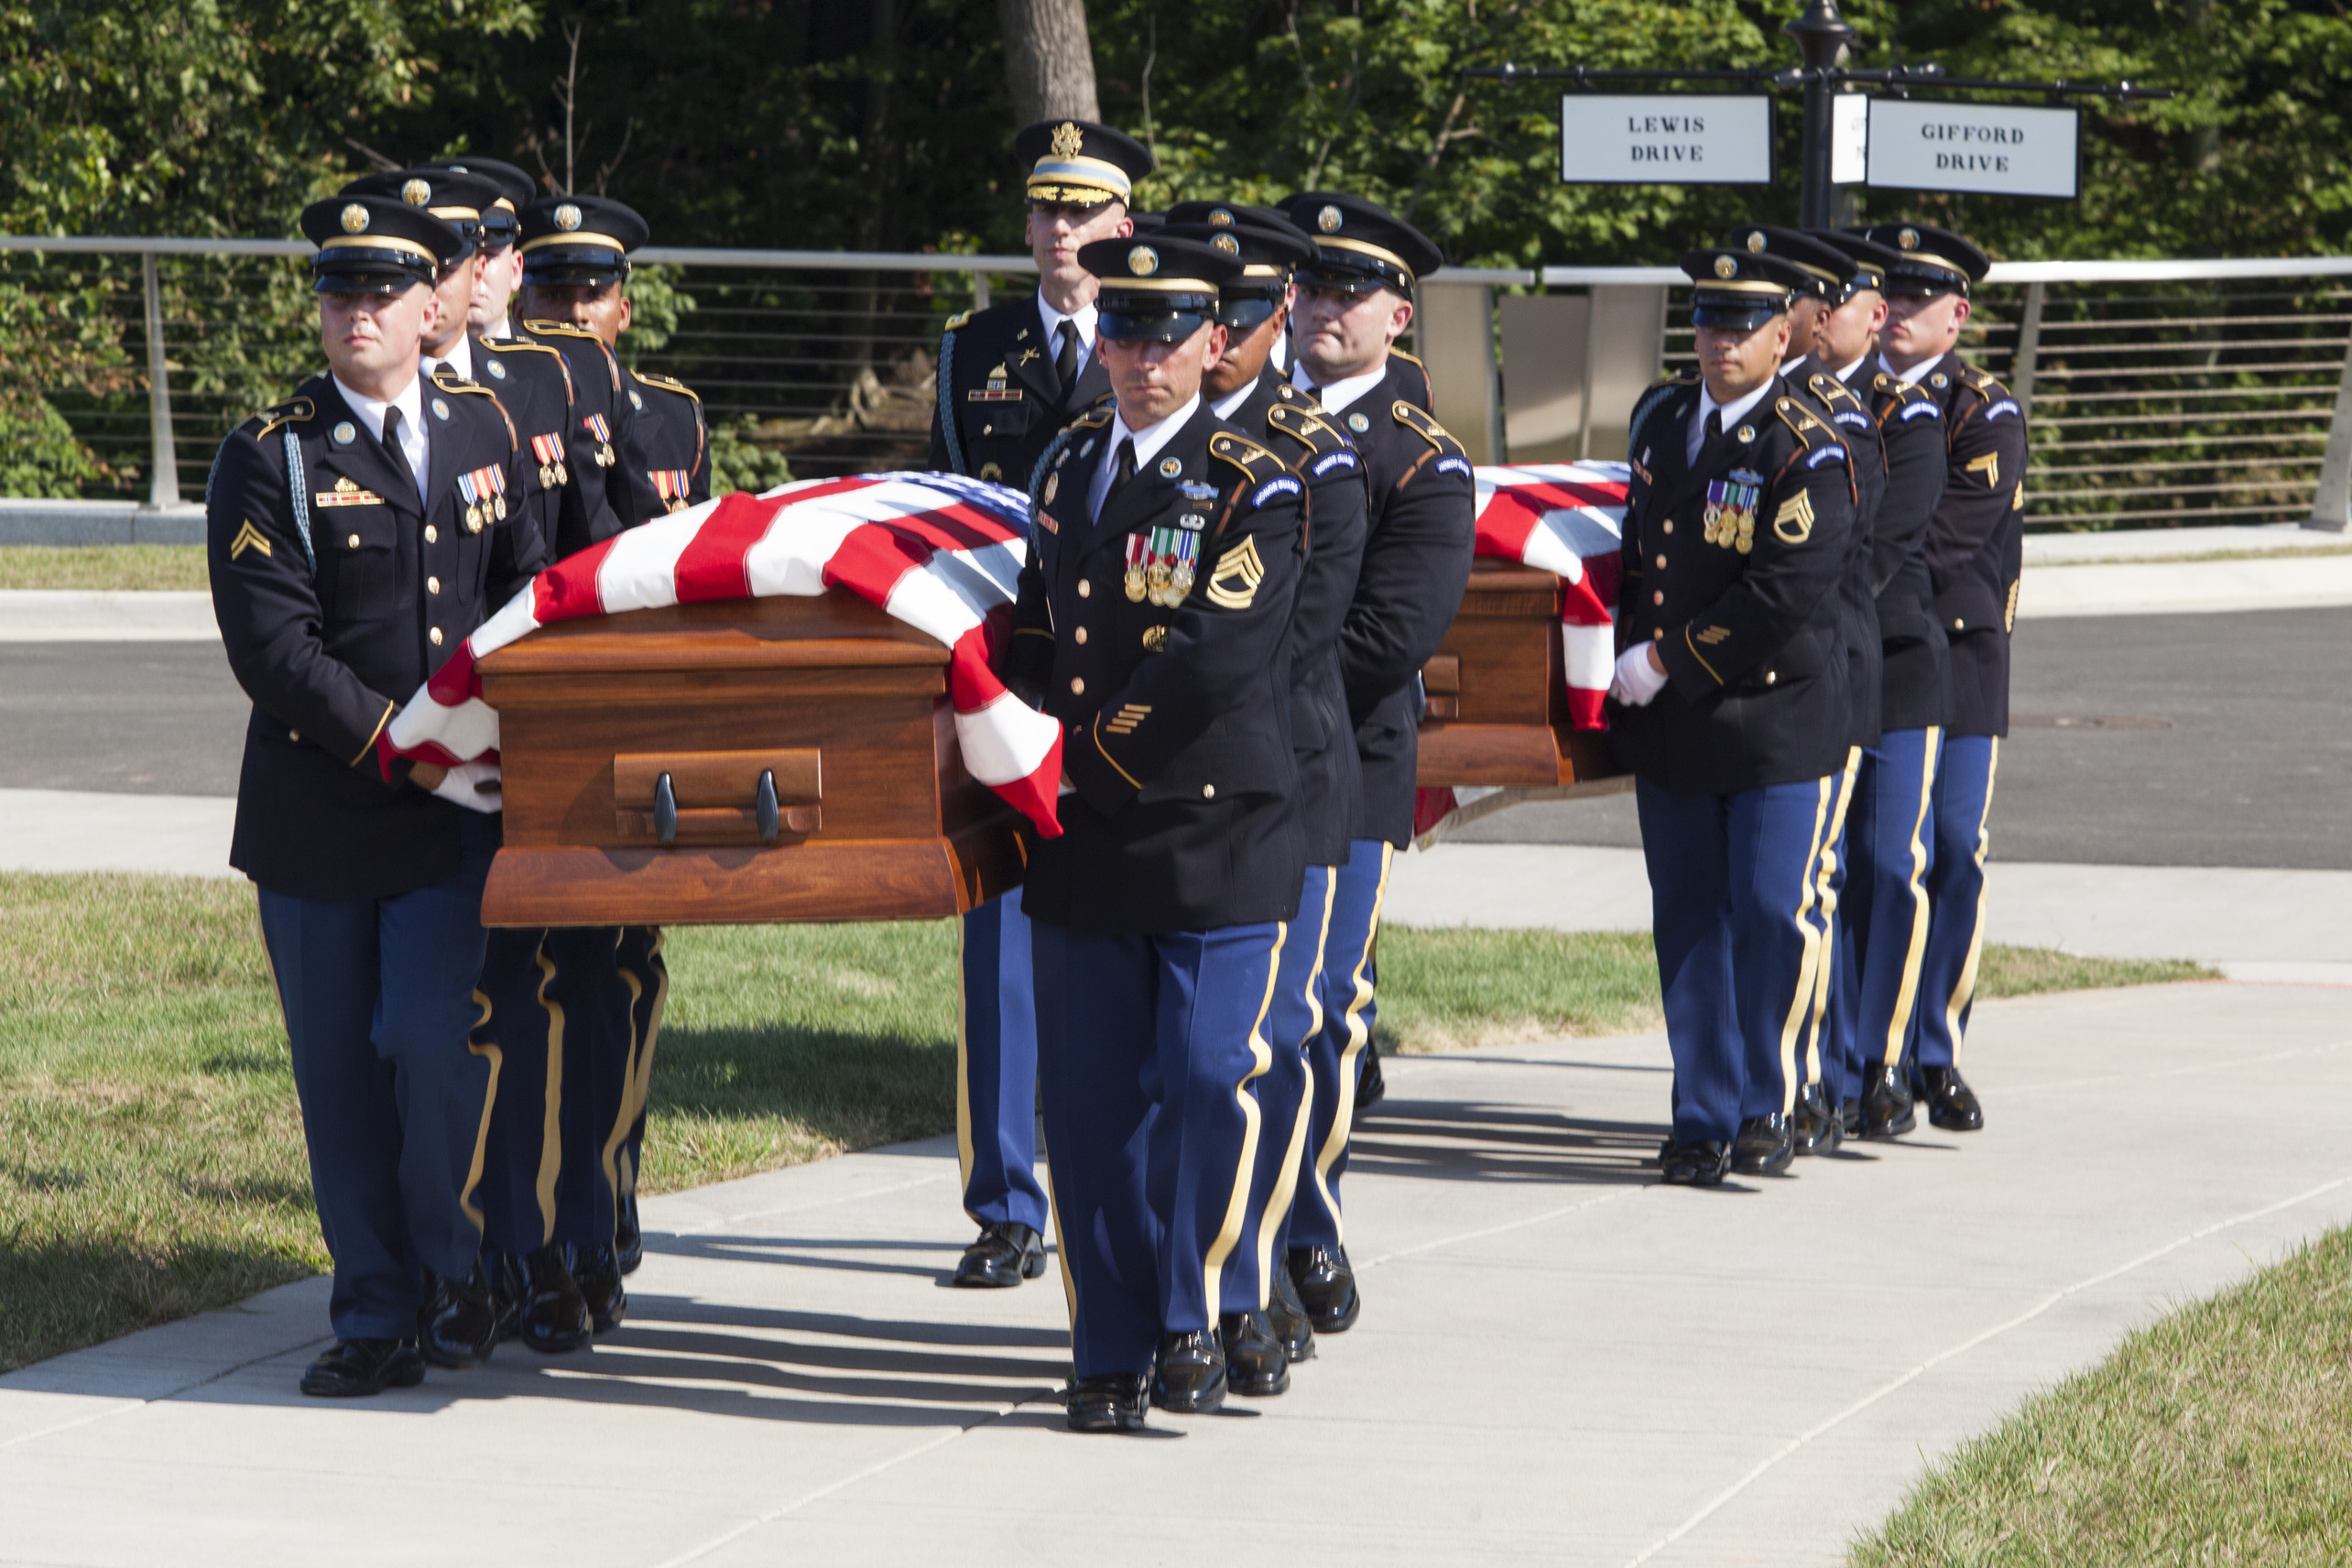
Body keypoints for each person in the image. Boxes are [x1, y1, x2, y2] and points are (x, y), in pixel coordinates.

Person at [206, 192, 547, 1396]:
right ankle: (373, 1314)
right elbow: (273, 647)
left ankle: (455, 1268)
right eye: (337, 293)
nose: (357, 313)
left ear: (429, 307)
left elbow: (528, 598)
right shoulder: (272, 452)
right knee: (341, 1078)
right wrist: (400, 740)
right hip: (321, 816)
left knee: (427, 1035)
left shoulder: (486, 429)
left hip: (456, 813)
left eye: (382, 293)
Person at [1002, 233, 1308, 1431]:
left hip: (1209, 826)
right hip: (1082, 836)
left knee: (1198, 1076)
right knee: (1086, 1110)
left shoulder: (1255, 479)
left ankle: (1195, 1310)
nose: (1138, 360)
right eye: (1121, 336)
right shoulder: (1070, 464)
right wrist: (1004, 735)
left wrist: (1081, 759)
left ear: (1213, 343)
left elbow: (1212, 658)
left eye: (1165, 337)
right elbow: (1036, 622)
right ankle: (1111, 1346)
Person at [923, 119, 1152, 1290]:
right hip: (1013, 675)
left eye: (1083, 210)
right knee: (998, 944)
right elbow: (940, 512)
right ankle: (1007, 1200)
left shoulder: (1164, 332)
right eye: (1043, 210)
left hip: (1142, 674)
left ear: (1123, 222)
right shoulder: (974, 351)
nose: (1060, 231)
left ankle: (1127, 1176)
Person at [1162, 201, 1366, 1373]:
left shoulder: (1311, 455)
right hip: (1155, 795)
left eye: (1241, 315)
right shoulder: (1122, 435)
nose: (1223, 337)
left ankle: (1249, 1277)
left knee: (1267, 1044)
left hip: (1277, 783)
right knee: (1182, 1059)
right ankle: (1196, 1280)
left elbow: (1305, 638)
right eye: (1207, 315)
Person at [1608, 246, 1857, 1187]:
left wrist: (1667, 656)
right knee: (1689, 923)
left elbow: (1783, 592)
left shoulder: (1806, 441)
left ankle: (1771, 1096)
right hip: (1675, 726)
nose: (1720, 341)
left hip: (1773, 716)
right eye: (1708, 322)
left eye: (1742, 326)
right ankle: (1702, 1112)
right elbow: (1634, 550)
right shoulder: (1665, 420)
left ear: (1783, 333)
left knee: (1766, 913)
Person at [1274, 191, 1474, 1330]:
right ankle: (1254, 1228)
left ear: (1398, 314)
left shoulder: (1422, 460)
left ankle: (1312, 1221)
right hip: (1239, 762)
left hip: (1342, 763)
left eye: (1354, 292)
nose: (1326, 308)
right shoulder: (1243, 420)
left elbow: (1386, 639)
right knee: (1263, 1014)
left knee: (1323, 1009)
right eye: (1314, 285)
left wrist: (1250, 702)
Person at [508, 194, 683, 1300]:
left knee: (616, 980)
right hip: (526, 733)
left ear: (622, 305)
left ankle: (606, 1187)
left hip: (626, 735)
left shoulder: (671, 419)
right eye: (552, 290)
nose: (572, 309)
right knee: (530, 993)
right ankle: (538, 1231)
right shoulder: (495, 408)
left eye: (591, 293)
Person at [1857, 223, 2025, 1135]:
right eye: (1892, 296)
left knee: (1952, 848)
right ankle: (1870, 1048)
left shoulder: (1982, 410)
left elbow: (1946, 543)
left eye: (1922, 300)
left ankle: (1936, 1045)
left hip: (1955, 660)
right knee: (1880, 861)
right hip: (1877, 651)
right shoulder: (1847, 398)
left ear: (1957, 315)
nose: (1901, 314)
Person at [1728, 224, 1886, 1160]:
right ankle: (1781, 1076)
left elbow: (1836, 571)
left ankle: (1808, 1077)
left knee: (1803, 891)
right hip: (1739, 688)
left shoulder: (1839, 426)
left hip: (1822, 683)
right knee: (1771, 897)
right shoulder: (1706, 415)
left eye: (1784, 301)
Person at [1812, 230, 1951, 1142]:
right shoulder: (1789, 406)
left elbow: (1884, 551)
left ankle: (1879, 1057)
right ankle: (1822, 1065)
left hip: (1892, 663)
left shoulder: (1907, 418)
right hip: (1814, 666)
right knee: (1821, 874)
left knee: (1888, 865)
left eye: (1853, 303)